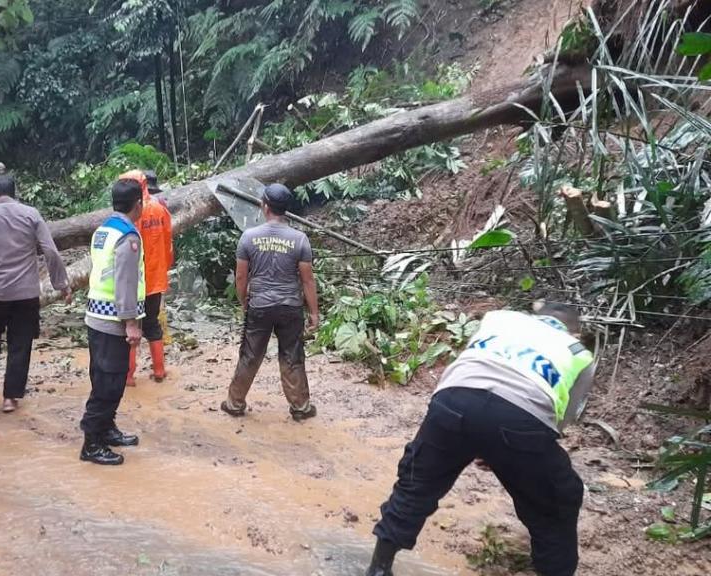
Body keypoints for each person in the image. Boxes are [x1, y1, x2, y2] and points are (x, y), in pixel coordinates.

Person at [365, 302, 595, 576]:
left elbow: (475, 366)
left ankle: (379, 568)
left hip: (453, 400)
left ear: (535, 315)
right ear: (574, 332)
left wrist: (482, 441)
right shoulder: (578, 353)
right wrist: (502, 451)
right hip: (522, 419)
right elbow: (560, 421)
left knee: (416, 483)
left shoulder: (500, 319)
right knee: (559, 499)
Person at [0, 175, 71, 413]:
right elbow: (50, 251)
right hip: (25, 293)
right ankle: (10, 398)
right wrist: (61, 283)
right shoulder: (30, 214)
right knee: (20, 344)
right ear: (15, 193)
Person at [220, 183, 319, 421]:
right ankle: (300, 407)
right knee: (291, 355)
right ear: (285, 209)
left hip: (260, 306)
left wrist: (244, 300)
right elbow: (308, 280)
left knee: (250, 354)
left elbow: (241, 276)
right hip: (290, 307)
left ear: (264, 207)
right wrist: (314, 313)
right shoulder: (300, 239)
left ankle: (235, 403)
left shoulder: (248, 237)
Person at [79, 178, 146, 466]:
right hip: (112, 320)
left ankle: (106, 429)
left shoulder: (103, 230)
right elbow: (125, 282)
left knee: (106, 377)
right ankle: (91, 442)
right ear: (138, 204)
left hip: (97, 315)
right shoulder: (128, 236)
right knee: (109, 381)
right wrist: (131, 322)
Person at [119, 170, 173, 387]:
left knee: (131, 327)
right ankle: (159, 370)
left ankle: (129, 375)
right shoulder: (161, 209)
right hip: (156, 278)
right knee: (152, 324)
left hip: (137, 279)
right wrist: (164, 268)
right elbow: (169, 242)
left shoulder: (132, 213)